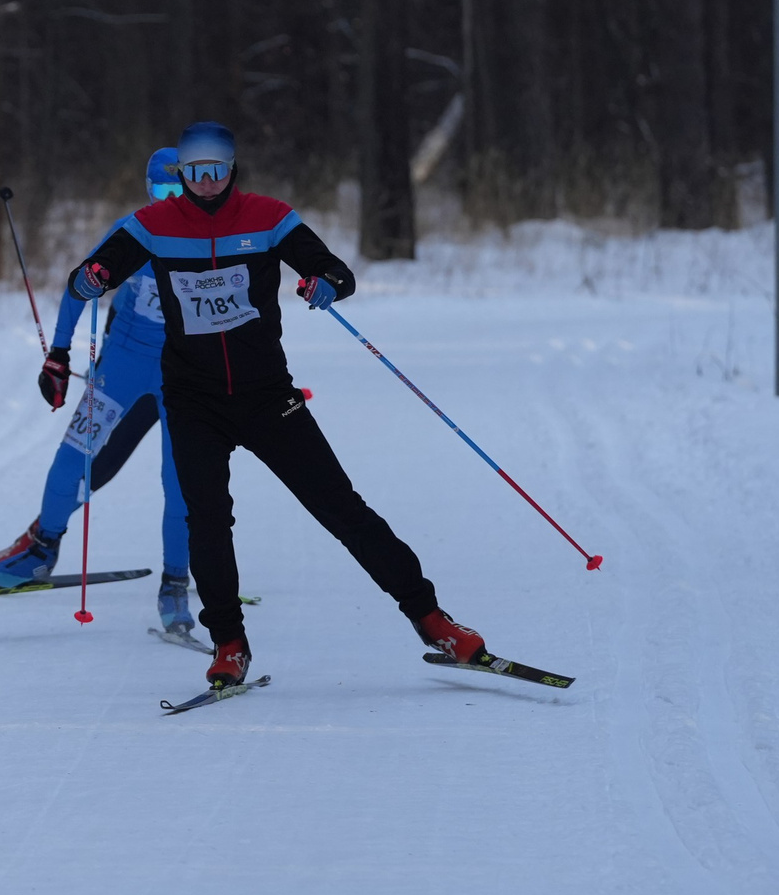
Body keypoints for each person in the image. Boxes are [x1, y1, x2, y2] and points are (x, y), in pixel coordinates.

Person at [62, 121, 484, 689]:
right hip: (193, 399)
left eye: (217, 171)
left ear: (232, 169)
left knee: (340, 506)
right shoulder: (152, 225)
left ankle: (432, 620)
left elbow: (333, 268)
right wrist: (90, 280)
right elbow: (94, 271)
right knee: (207, 520)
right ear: (180, 175)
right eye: (194, 173)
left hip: (266, 395)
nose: (207, 183)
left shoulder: (268, 217)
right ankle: (229, 645)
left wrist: (326, 284)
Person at [0, 147, 198, 635]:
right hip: (124, 363)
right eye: (160, 191)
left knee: (181, 483)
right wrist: (59, 356)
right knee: (74, 458)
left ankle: (175, 583)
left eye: (179, 189)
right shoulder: (134, 229)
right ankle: (41, 548)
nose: (170, 200)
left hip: (188, 375)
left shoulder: (213, 237)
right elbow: (79, 286)